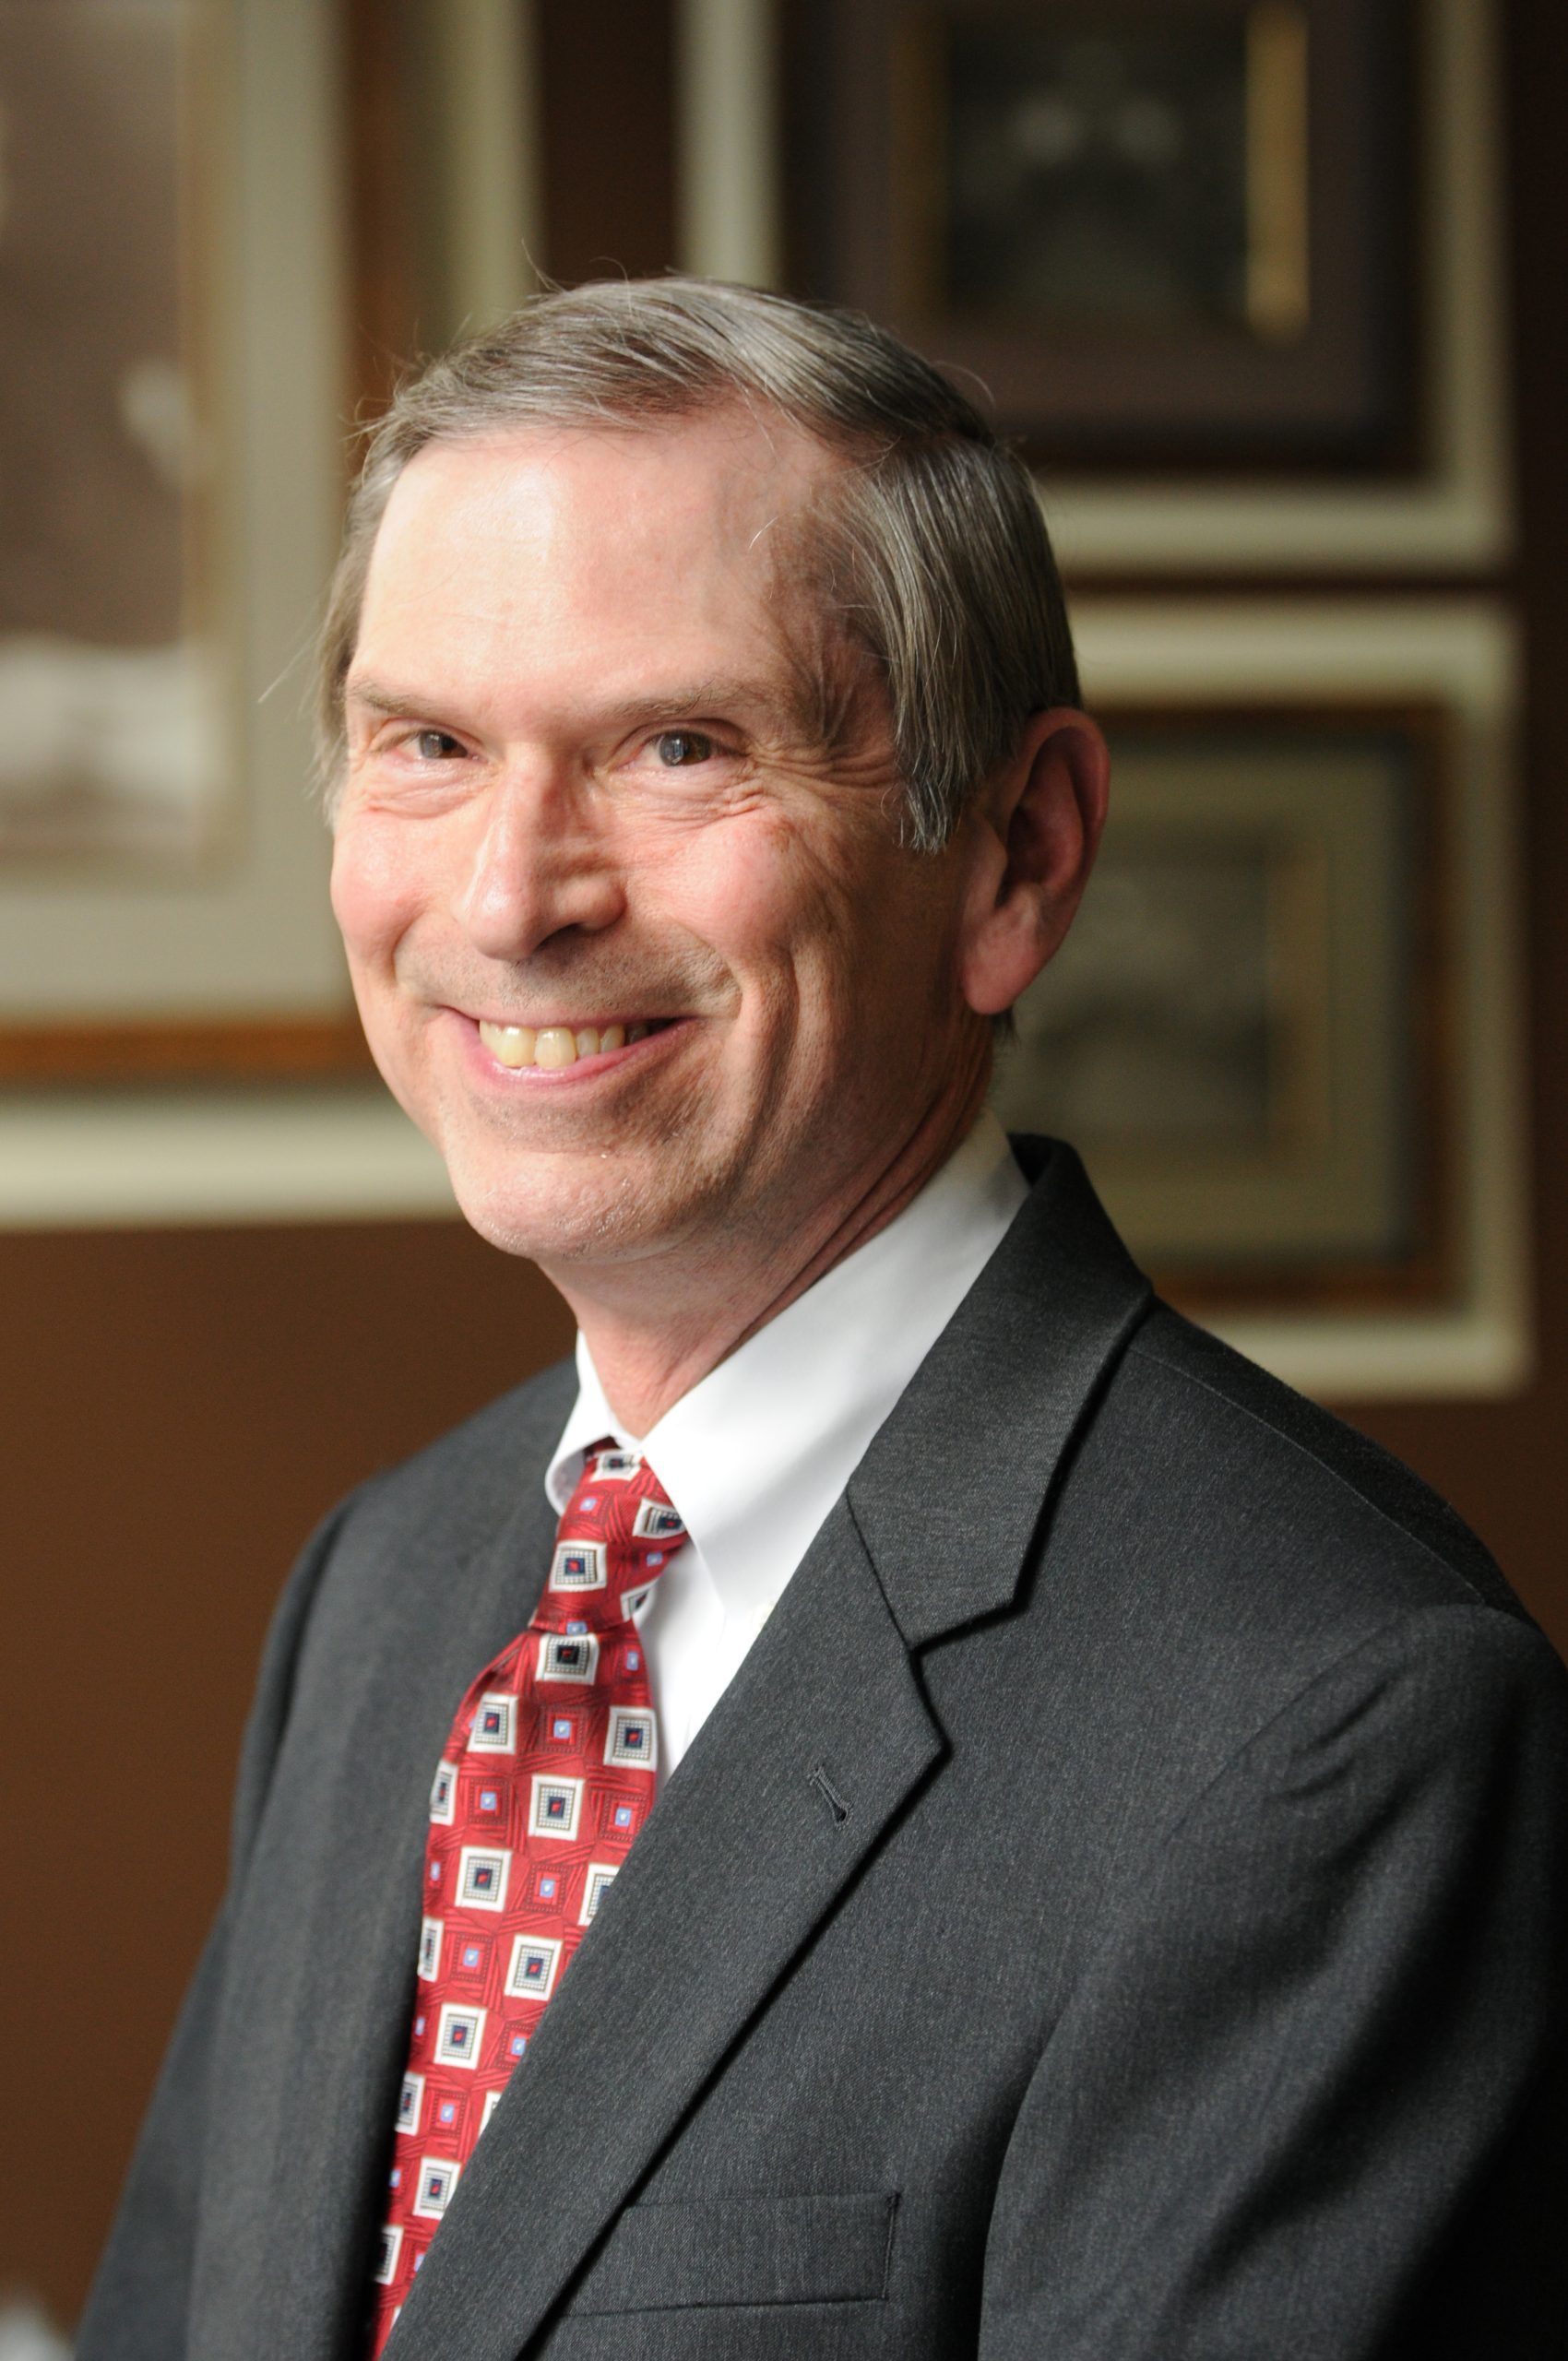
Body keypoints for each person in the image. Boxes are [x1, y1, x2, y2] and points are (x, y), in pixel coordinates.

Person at [79, 279, 1567, 2361]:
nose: (511, 895)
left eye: (679, 747)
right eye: (427, 744)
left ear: (1016, 858)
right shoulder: (386, 1583)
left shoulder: (1331, 1725)